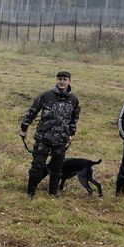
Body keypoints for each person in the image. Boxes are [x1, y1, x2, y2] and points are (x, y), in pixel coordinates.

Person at [20, 70, 80, 198]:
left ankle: (53, 192)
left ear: (69, 81)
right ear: (56, 80)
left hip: (61, 140)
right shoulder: (46, 96)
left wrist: (71, 133)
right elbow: (32, 112)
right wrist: (24, 128)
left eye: (64, 79)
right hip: (43, 138)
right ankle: (30, 192)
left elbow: (74, 119)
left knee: (57, 168)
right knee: (37, 166)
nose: (62, 82)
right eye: (59, 79)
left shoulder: (74, 100)